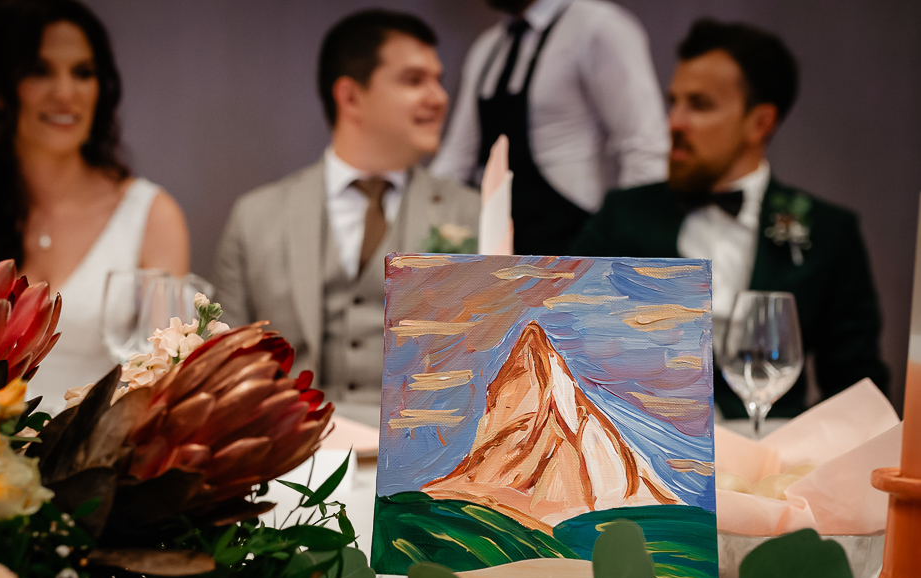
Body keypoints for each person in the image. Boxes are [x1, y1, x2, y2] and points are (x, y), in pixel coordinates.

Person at [570, 19, 889, 418]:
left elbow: (857, 387)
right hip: (648, 441)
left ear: (759, 123)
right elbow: (567, 335)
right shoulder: (624, 215)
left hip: (771, 443)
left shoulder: (829, 231)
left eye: (699, 105)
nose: (675, 122)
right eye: (674, 102)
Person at [213, 10, 480, 420]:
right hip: (293, 445)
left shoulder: (473, 213)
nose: (439, 97)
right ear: (351, 97)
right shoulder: (256, 217)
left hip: (422, 445)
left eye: (438, 80)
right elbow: (226, 367)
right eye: (414, 80)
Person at [0, 0, 189, 410]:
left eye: (83, 72)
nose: (65, 93)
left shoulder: (152, 216)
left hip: (102, 448)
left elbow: (164, 383)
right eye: (39, 71)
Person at [431, 0, 667, 255]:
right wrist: (414, 209)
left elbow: (645, 147)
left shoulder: (598, 27)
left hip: (579, 240)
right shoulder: (487, 47)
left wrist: (628, 246)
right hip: (503, 244)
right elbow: (458, 156)